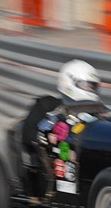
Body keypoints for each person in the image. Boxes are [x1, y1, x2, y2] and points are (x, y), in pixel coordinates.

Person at [13, 60, 105, 198]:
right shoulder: (47, 105)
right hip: (52, 173)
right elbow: (27, 133)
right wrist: (42, 137)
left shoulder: (100, 111)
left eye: (92, 86)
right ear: (68, 82)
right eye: (85, 85)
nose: (89, 89)